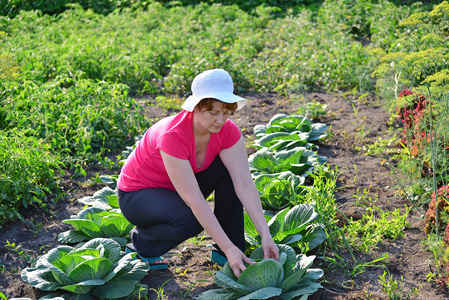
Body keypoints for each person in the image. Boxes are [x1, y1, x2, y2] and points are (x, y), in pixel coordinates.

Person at [117, 68, 279, 278]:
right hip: (138, 195)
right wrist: (230, 248)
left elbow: (244, 184)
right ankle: (142, 244)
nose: (221, 120)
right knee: (190, 221)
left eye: (226, 112)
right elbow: (195, 200)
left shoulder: (227, 132)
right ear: (196, 107)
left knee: (229, 170)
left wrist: (265, 235)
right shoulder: (173, 135)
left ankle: (228, 251)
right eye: (213, 113)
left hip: (177, 188)